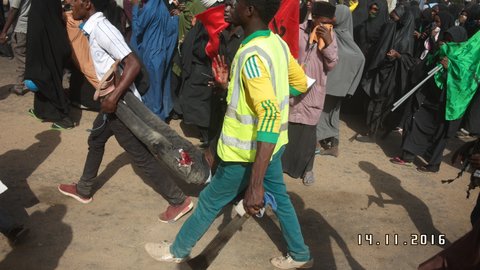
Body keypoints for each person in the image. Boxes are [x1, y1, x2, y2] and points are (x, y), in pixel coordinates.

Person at [144, 0, 314, 268]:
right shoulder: (276, 43)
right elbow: (300, 83)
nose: (226, 7)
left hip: (246, 152)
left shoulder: (253, 56)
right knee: (280, 198)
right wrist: (228, 88)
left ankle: (178, 250)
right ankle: (300, 254)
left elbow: (268, 112)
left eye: (233, 3)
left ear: (249, 11)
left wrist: (255, 184)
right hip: (273, 146)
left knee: (210, 201)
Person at [57, 0, 193, 223]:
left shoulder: (102, 29)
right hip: (112, 100)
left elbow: (133, 64)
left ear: (87, 4)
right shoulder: (92, 28)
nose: (71, 10)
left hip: (120, 103)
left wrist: (112, 98)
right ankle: (84, 188)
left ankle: (178, 200)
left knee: (139, 155)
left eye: (74, 5)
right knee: (97, 139)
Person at [390, 26, 469, 173]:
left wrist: (450, 70)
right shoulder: (441, 52)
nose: (446, 43)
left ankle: (433, 164)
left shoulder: (464, 61)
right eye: (445, 40)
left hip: (448, 105)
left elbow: (464, 84)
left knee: (441, 135)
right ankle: (408, 156)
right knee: (413, 121)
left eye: (450, 41)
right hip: (430, 99)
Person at [282, 1, 338, 186]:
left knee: (307, 135)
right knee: (287, 130)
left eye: (329, 23)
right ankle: (283, 166)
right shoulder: (297, 30)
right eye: (323, 22)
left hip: (313, 91)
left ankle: (307, 170)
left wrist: (328, 43)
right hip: (293, 89)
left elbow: (331, 64)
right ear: (314, 19)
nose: (326, 26)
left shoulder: (330, 35)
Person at [356, 5, 416, 142]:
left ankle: (372, 133)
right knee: (374, 101)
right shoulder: (393, 30)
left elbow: (409, 60)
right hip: (382, 70)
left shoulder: (406, 39)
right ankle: (371, 129)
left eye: (395, 17)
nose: (392, 20)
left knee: (378, 103)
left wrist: (398, 56)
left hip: (391, 76)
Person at [316, 4, 365, 157]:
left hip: (331, 85)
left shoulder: (335, 35)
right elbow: (359, 58)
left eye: (335, 15)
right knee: (334, 115)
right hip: (341, 87)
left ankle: (316, 143)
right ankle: (334, 146)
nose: (332, 17)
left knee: (321, 114)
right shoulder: (348, 36)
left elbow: (360, 58)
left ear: (342, 17)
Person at [0, 0, 31, 95]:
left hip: (20, 28)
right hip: (28, 26)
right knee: (26, 57)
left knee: (21, 58)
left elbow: (14, 9)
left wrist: (4, 31)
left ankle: (19, 86)